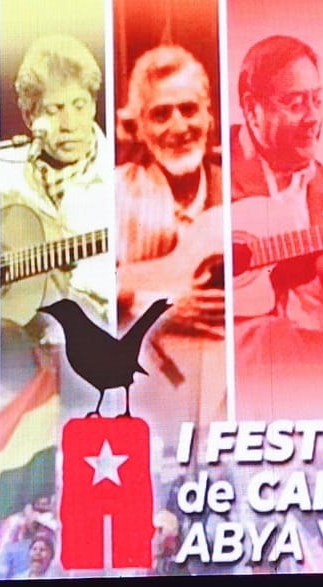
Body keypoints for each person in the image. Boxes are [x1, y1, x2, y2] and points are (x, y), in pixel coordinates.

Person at [229, 35, 323, 421]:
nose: (313, 117)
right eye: (296, 104)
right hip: (243, 380)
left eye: (317, 99)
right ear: (251, 108)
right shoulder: (212, 175)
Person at [114, 44, 228, 432]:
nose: (179, 127)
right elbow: (75, 293)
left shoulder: (239, 192)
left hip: (228, 396)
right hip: (144, 392)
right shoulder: (113, 195)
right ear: (140, 127)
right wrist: (158, 308)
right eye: (161, 114)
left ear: (209, 114)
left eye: (189, 109)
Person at [0, 34, 116, 336]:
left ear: (93, 104)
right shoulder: (3, 171)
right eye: (54, 110)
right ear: (29, 116)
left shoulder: (123, 177)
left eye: (79, 105)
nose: (70, 123)